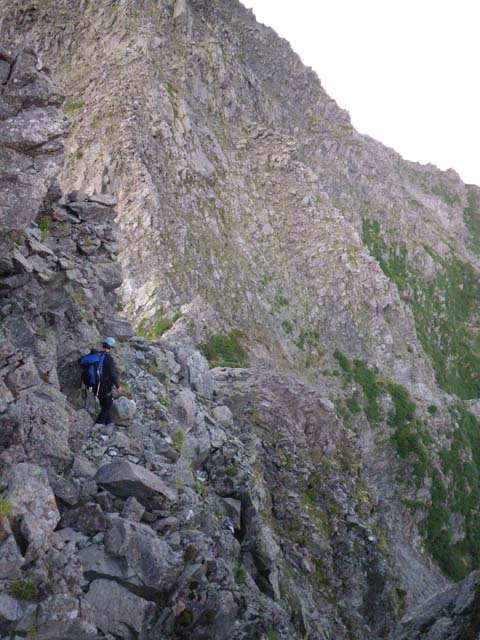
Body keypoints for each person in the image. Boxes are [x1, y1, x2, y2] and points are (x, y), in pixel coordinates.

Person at [96, 337, 122, 426]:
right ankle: (98, 424)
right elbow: (112, 375)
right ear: (110, 348)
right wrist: (118, 386)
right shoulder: (109, 360)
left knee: (104, 404)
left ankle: (109, 423)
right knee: (107, 405)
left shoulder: (97, 355)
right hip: (104, 387)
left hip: (95, 385)